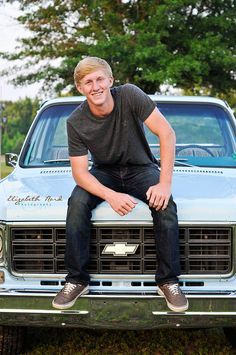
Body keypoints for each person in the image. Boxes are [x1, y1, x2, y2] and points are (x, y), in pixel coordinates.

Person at [52, 56, 188, 312]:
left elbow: (167, 133)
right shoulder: (75, 121)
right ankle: (76, 279)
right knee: (77, 201)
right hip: (104, 172)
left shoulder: (130, 95)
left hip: (141, 168)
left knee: (165, 204)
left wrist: (164, 184)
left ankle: (168, 280)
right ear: (80, 88)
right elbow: (80, 173)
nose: (95, 86)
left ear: (110, 80)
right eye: (88, 82)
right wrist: (111, 195)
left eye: (100, 79)